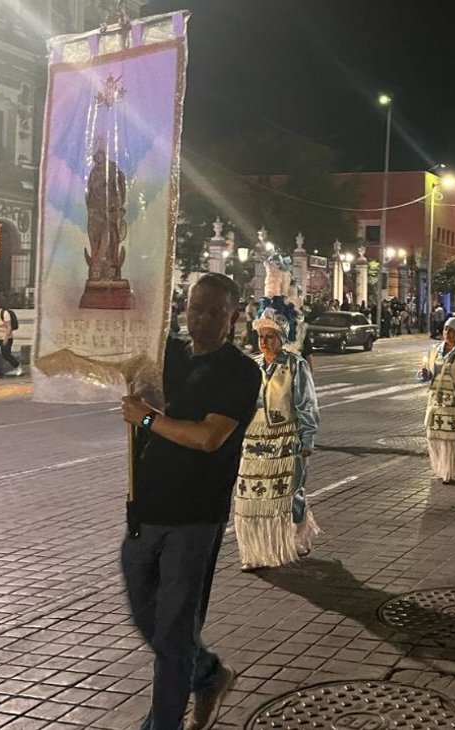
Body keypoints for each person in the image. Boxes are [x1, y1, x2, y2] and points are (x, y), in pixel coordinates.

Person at [118, 273, 261, 730]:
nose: (201, 319)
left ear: (233, 318)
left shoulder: (240, 371)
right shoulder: (168, 356)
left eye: (214, 312)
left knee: (174, 635)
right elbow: (134, 385)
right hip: (144, 510)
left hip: (195, 518)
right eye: (195, 308)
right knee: (149, 621)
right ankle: (208, 673)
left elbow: (208, 438)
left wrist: (146, 420)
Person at [234, 297, 320, 571]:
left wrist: (306, 439)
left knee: (289, 493)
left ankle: (292, 540)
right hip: (254, 441)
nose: (265, 341)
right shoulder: (251, 367)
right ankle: (255, 550)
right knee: (252, 498)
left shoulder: (295, 366)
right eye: (261, 336)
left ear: (281, 338)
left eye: (271, 336)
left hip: (286, 439)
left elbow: (306, 404)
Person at [420, 317, 455, 484]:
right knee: (435, 436)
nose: (448, 333)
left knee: (452, 438)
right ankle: (440, 467)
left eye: (452, 331)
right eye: (446, 330)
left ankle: (450, 472)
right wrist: (424, 374)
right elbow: (428, 374)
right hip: (436, 401)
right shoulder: (434, 350)